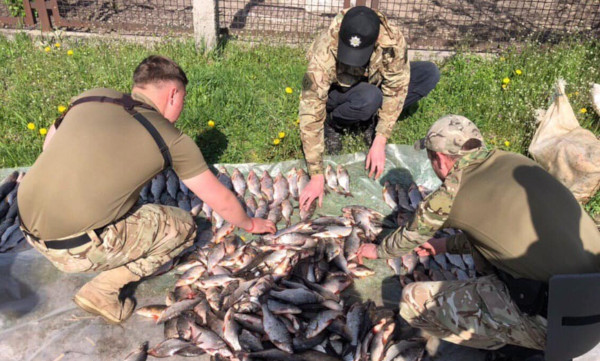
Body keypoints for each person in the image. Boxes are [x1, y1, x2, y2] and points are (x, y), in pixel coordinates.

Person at [17, 55, 276, 324]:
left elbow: (50, 143)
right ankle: (103, 290)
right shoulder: (170, 138)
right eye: (183, 100)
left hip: (25, 222)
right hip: (70, 249)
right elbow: (220, 199)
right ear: (173, 94)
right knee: (183, 227)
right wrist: (250, 223)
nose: (182, 108)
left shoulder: (92, 96)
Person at [356, 115, 600, 359]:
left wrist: (375, 251)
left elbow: (408, 237)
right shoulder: (511, 160)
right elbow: (494, 230)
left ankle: (514, 346)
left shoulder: (450, 194)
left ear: (439, 159)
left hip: (568, 326)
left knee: (412, 300)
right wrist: (445, 245)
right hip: (591, 289)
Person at [298, 6, 440, 211]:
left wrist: (380, 139)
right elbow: (310, 109)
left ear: (376, 40)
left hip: (373, 84)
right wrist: (317, 174)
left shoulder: (393, 40)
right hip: (340, 92)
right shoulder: (325, 49)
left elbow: (396, 89)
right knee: (370, 97)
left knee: (428, 73)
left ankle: (370, 119)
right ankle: (335, 123)